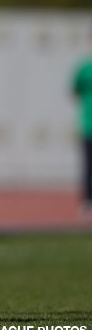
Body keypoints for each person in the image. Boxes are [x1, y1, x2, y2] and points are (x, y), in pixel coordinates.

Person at [71, 41, 92, 219]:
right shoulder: (84, 69)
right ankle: (87, 201)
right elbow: (74, 91)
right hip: (88, 125)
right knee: (88, 165)